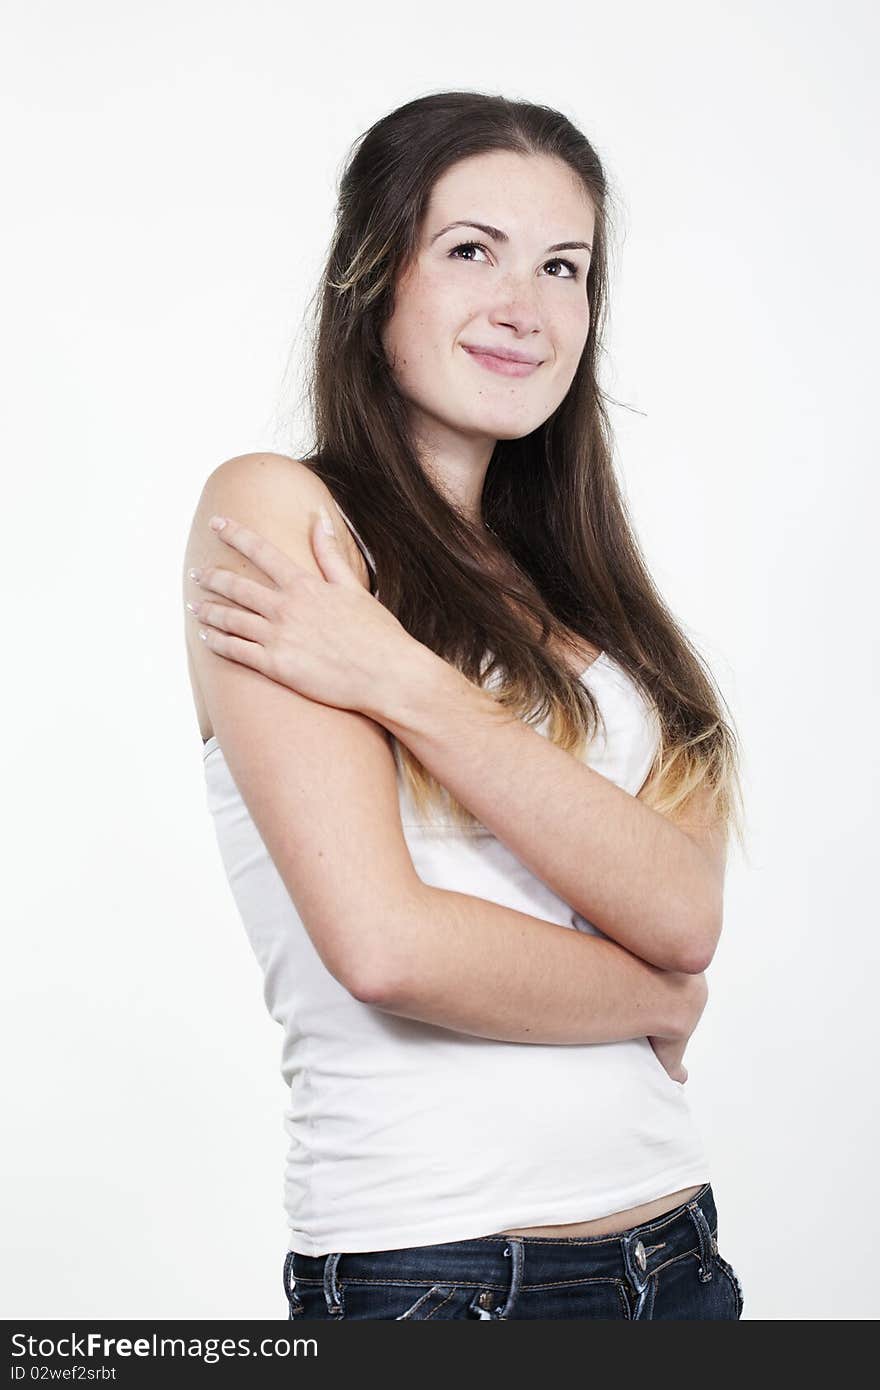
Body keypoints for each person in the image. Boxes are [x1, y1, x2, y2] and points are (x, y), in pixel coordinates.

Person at [182, 91, 746, 1319]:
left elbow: (684, 911)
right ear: (371, 272)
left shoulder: (585, 586)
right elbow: (387, 946)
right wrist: (648, 997)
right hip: (442, 1276)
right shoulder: (282, 517)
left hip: (678, 1251)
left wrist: (396, 679)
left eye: (563, 267)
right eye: (470, 250)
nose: (524, 308)